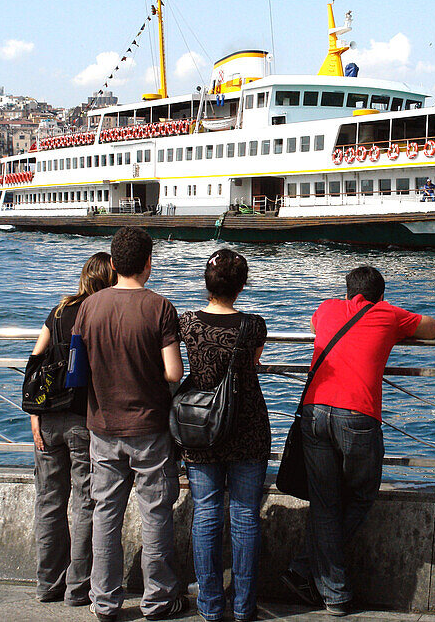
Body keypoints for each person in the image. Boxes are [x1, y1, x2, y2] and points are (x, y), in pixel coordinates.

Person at [282, 266, 435, 615]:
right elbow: (434, 329)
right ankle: (325, 583)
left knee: (325, 502)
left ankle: (312, 576)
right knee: (362, 493)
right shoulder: (387, 314)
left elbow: (316, 328)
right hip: (357, 415)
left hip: (313, 411)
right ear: (380, 295)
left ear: (346, 292)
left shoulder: (326, 308)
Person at [73, 226, 187, 622]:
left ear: (115, 262)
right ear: (147, 263)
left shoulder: (89, 307)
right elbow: (173, 372)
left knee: (106, 512)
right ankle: (158, 599)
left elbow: (77, 371)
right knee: (155, 513)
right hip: (150, 426)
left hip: (102, 425)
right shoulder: (159, 307)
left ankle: (103, 601)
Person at [178, 249, 269, 622]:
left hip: (201, 428)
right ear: (242, 285)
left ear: (206, 283)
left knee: (206, 513)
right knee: (246, 516)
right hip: (247, 425)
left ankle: (211, 606)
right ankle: (245, 607)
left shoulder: (187, 323)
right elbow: (254, 363)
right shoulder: (254, 326)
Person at [28, 251, 115, 606]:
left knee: (49, 502)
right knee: (85, 502)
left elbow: (34, 363)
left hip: (47, 419)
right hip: (82, 420)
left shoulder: (60, 310)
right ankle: (78, 588)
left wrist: (34, 415)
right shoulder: (100, 313)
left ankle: (47, 584)